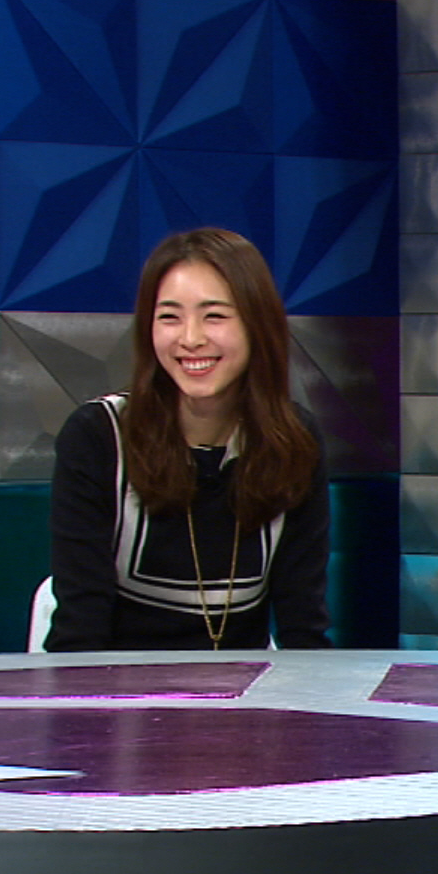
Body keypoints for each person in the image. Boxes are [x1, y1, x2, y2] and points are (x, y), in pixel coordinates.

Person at [47, 228, 330, 651]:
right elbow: (80, 635)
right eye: (169, 317)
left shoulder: (293, 441)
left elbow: (303, 626)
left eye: (214, 316)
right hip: (117, 689)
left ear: (257, 325)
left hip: (247, 690)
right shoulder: (97, 436)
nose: (191, 338)